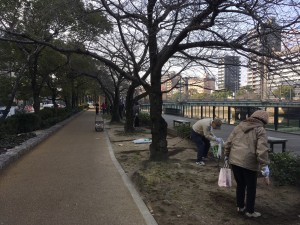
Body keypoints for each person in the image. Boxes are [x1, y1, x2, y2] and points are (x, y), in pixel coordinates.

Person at [224, 110, 270, 218]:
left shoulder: (239, 126)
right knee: (251, 187)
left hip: (234, 160)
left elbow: (229, 142)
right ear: (264, 120)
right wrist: (264, 166)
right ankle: (250, 211)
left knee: (240, 185)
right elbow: (262, 150)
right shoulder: (260, 130)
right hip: (249, 163)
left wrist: (226, 155)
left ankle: (240, 207)